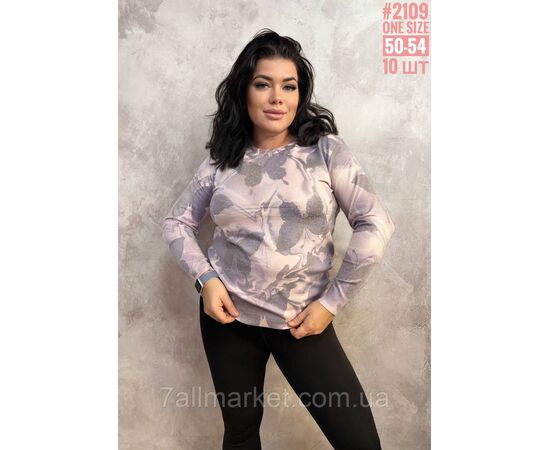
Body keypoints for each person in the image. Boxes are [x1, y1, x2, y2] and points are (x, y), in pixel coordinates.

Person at [162, 29, 395, 450]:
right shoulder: (221, 160)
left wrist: (331, 303)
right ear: (244, 91)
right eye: (263, 84)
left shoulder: (325, 151)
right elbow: (177, 222)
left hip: (302, 320)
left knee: (359, 442)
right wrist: (206, 280)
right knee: (240, 434)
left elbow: (376, 223)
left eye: (289, 86)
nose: (277, 98)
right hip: (228, 319)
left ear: (300, 94)